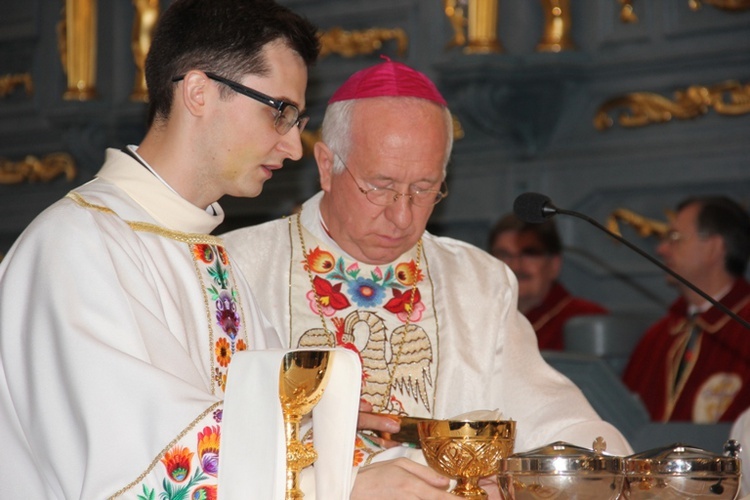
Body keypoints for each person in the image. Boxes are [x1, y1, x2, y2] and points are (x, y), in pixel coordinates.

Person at [0, 1, 451, 498]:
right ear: (198, 92)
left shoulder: (212, 260)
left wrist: (353, 438)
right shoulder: (75, 246)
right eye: (281, 113)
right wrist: (340, 488)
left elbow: (270, 418)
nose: (294, 148)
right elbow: (136, 464)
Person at [222, 59, 634, 473]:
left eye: (424, 189)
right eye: (380, 187)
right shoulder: (236, 267)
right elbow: (210, 434)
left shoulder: (478, 282)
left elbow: (551, 422)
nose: (402, 217)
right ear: (327, 167)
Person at [623, 195, 750, 423]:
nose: (662, 249)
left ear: (714, 247)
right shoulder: (658, 336)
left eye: (674, 238)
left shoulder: (744, 327)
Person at [488, 213, 608, 350]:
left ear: (554, 265)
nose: (516, 266)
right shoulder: (479, 319)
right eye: (504, 255)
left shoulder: (586, 318)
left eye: (529, 254)